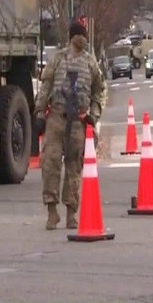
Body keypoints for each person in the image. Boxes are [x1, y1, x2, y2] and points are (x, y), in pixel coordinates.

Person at [34, 21, 107, 230]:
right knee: (50, 163)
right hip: (57, 117)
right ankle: (51, 210)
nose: (82, 39)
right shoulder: (58, 59)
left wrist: (93, 115)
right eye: (79, 35)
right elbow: (46, 87)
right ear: (72, 37)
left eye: (84, 36)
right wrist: (39, 113)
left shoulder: (90, 63)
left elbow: (98, 91)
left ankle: (71, 212)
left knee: (74, 167)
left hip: (78, 121)